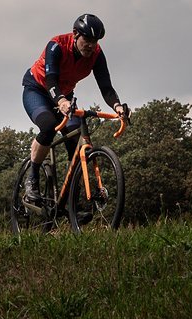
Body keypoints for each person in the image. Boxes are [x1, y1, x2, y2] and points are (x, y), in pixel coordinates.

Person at [21, 13, 128, 203]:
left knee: (76, 141)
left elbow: (106, 86)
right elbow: (51, 80)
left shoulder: (96, 54)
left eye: (94, 41)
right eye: (87, 39)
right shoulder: (57, 45)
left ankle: (72, 201)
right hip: (38, 91)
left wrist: (117, 106)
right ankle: (33, 178)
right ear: (75, 35)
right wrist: (61, 101)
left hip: (65, 98)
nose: (91, 45)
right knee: (48, 126)